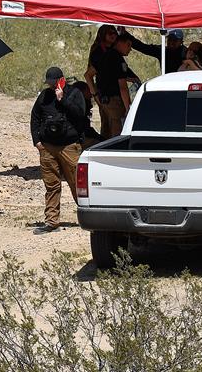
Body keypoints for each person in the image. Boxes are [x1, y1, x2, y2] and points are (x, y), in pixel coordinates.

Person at [30, 67, 86, 234]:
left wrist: (62, 100)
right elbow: (35, 117)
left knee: (77, 184)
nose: (52, 86)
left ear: (62, 80)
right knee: (52, 185)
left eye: (54, 83)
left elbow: (80, 114)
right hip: (47, 147)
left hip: (69, 146)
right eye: (50, 84)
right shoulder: (44, 96)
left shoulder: (74, 94)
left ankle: (89, 217)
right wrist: (37, 141)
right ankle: (51, 221)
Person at [86, 28, 134, 139]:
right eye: (110, 33)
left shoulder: (106, 54)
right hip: (113, 101)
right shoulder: (107, 55)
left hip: (105, 100)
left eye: (115, 33)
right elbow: (122, 87)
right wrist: (128, 109)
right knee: (117, 137)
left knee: (106, 134)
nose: (114, 35)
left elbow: (93, 74)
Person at [73, 80, 103, 148]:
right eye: (88, 90)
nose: (91, 94)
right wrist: (99, 138)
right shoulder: (81, 107)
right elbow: (85, 129)